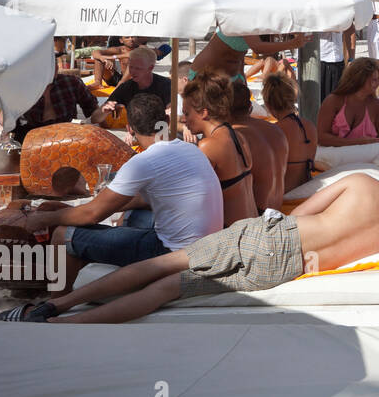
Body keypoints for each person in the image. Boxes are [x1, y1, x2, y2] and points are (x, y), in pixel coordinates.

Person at [0, 168, 379, 324]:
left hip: (280, 238)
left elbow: (294, 215)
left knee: (166, 264)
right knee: (167, 290)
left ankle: (54, 305)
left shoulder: (362, 182)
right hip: (289, 269)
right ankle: (58, 326)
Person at [15, 94, 223, 291]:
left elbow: (92, 214)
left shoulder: (144, 162)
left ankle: (58, 303)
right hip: (207, 245)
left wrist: (43, 219)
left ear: (129, 129)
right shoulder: (190, 149)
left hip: (174, 254)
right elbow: (145, 199)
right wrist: (68, 209)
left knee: (62, 235)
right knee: (129, 215)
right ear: (166, 121)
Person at [180, 72, 258, 227]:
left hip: (234, 238)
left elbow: (187, 197)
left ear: (204, 112)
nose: (183, 119)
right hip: (253, 226)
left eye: (186, 113)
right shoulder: (237, 136)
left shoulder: (208, 146)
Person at [14, 49, 106, 140]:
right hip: (31, 141)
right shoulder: (22, 88)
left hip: (66, 140)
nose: (55, 66)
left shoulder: (71, 83)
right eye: (48, 63)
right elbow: (9, 125)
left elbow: (93, 115)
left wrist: (104, 110)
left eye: (54, 61)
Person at [229, 81, 288, 213]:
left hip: (257, 214)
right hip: (278, 209)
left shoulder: (236, 135)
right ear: (250, 106)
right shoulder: (276, 130)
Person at [263, 73, 318, 193]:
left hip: (285, 194)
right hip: (306, 189)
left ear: (267, 104)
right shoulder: (310, 126)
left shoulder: (274, 131)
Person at [317, 58, 379, 147]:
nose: (377, 83)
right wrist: (355, 143)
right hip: (335, 159)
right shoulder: (333, 101)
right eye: (373, 80)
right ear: (359, 79)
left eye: (377, 80)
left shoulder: (377, 106)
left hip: (366, 158)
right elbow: (321, 137)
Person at [190, 30, 306, 83]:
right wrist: (292, 44)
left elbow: (241, 53)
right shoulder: (245, 17)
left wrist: (241, 78)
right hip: (204, 75)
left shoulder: (259, 24)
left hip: (233, 76)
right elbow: (257, 47)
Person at [100, 45, 171, 119]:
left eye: (137, 68)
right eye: (131, 67)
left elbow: (172, 112)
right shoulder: (125, 87)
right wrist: (103, 111)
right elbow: (95, 118)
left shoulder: (166, 85)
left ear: (150, 68)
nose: (132, 72)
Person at [318, 29, 346, 100]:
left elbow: (350, 29)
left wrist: (350, 59)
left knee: (338, 99)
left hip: (338, 59)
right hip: (321, 58)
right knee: (321, 100)